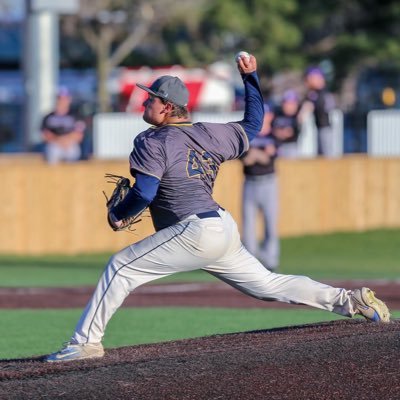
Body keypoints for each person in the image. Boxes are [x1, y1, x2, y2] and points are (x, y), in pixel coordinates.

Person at [46, 54, 390, 362]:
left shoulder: (151, 140)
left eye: (150, 98)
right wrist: (250, 78)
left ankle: (85, 343)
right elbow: (254, 123)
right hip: (221, 227)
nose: (144, 103)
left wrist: (118, 214)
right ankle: (350, 300)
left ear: (166, 106)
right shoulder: (211, 134)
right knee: (268, 285)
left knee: (120, 267)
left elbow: (145, 192)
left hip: (193, 231)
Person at [241, 103, 280, 271]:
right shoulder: (248, 136)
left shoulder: (274, 136)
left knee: (271, 224)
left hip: (268, 182)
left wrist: (255, 154)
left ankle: (270, 262)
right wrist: (260, 154)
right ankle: (251, 263)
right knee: (248, 225)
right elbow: (245, 159)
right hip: (250, 182)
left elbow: (268, 159)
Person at [41, 87, 86, 164]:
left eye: (64, 98)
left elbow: (79, 135)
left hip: (70, 144)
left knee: (73, 152)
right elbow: (45, 135)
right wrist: (59, 140)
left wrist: (67, 140)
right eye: (60, 99)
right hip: (55, 144)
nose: (62, 101)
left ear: (69, 100)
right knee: (53, 151)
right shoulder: (48, 117)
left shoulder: (75, 116)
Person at [303, 66, 336, 157]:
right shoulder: (315, 93)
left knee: (327, 156)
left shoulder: (322, 93)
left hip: (325, 128)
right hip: (320, 128)